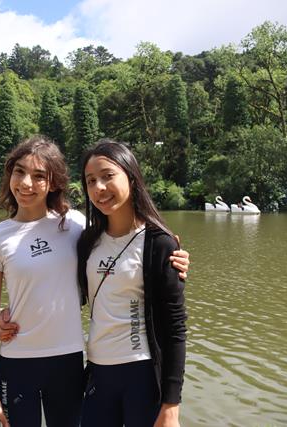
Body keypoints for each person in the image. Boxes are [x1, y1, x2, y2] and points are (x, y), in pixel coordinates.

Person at [0, 136, 190, 427]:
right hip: (21, 362)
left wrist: (173, 255)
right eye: (19, 171)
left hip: (71, 362)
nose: (26, 183)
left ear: (54, 182)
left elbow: (128, 247)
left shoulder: (76, 225)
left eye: (39, 175)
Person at [78, 139, 187, 427]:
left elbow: (175, 327)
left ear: (131, 176)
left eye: (107, 176)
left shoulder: (159, 243)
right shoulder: (88, 242)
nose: (99, 188)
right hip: (98, 373)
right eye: (91, 181)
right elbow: (65, 296)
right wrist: (11, 317)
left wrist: (171, 405)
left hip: (142, 374)